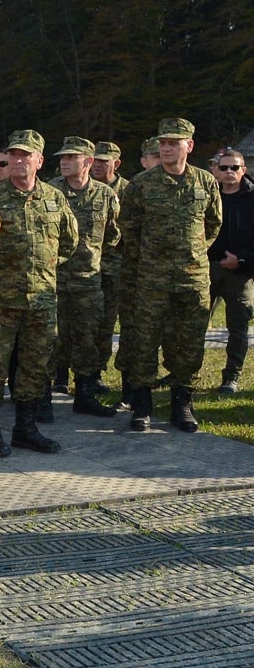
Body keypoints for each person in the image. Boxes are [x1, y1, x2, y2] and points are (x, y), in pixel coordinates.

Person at [0, 130, 78, 457]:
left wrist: (44, 266)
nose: (19, 161)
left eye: (26, 155)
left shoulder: (54, 197)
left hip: (41, 301)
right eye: (14, 155)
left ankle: (25, 428)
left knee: (35, 367)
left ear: (39, 161)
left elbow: (69, 242)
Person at [118, 118, 222, 432]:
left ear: (188, 146)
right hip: (151, 279)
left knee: (189, 343)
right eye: (163, 143)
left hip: (192, 280)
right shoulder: (141, 184)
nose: (166, 148)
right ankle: (142, 405)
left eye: (173, 143)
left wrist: (192, 253)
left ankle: (182, 404)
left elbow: (213, 224)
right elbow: (130, 229)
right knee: (145, 341)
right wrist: (148, 262)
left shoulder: (205, 182)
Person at [46, 136, 120, 417]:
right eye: (62, 158)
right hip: (53, 279)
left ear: (87, 161)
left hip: (88, 280)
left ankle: (85, 393)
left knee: (87, 339)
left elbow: (113, 236)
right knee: (50, 339)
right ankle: (42, 397)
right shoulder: (51, 191)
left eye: (71, 157)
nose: (64, 162)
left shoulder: (105, 195)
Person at [209, 148, 254, 394]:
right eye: (224, 167)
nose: (229, 173)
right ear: (216, 170)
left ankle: (231, 377)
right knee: (192, 323)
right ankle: (184, 376)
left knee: (238, 327)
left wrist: (242, 259)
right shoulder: (208, 196)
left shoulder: (252, 198)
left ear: (243, 170)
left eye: (234, 168)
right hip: (206, 269)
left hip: (240, 272)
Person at [91, 141, 129, 388]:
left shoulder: (128, 190)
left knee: (106, 323)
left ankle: (97, 372)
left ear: (116, 163)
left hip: (114, 268)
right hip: (85, 269)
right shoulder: (85, 187)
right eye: (94, 160)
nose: (96, 165)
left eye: (103, 161)